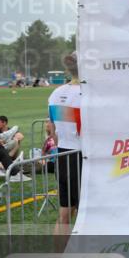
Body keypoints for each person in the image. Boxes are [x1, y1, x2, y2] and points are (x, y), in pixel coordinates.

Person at [49, 53, 83, 243]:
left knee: (64, 212)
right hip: (81, 155)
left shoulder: (56, 93)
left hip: (63, 153)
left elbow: (52, 131)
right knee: (83, 211)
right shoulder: (87, 93)